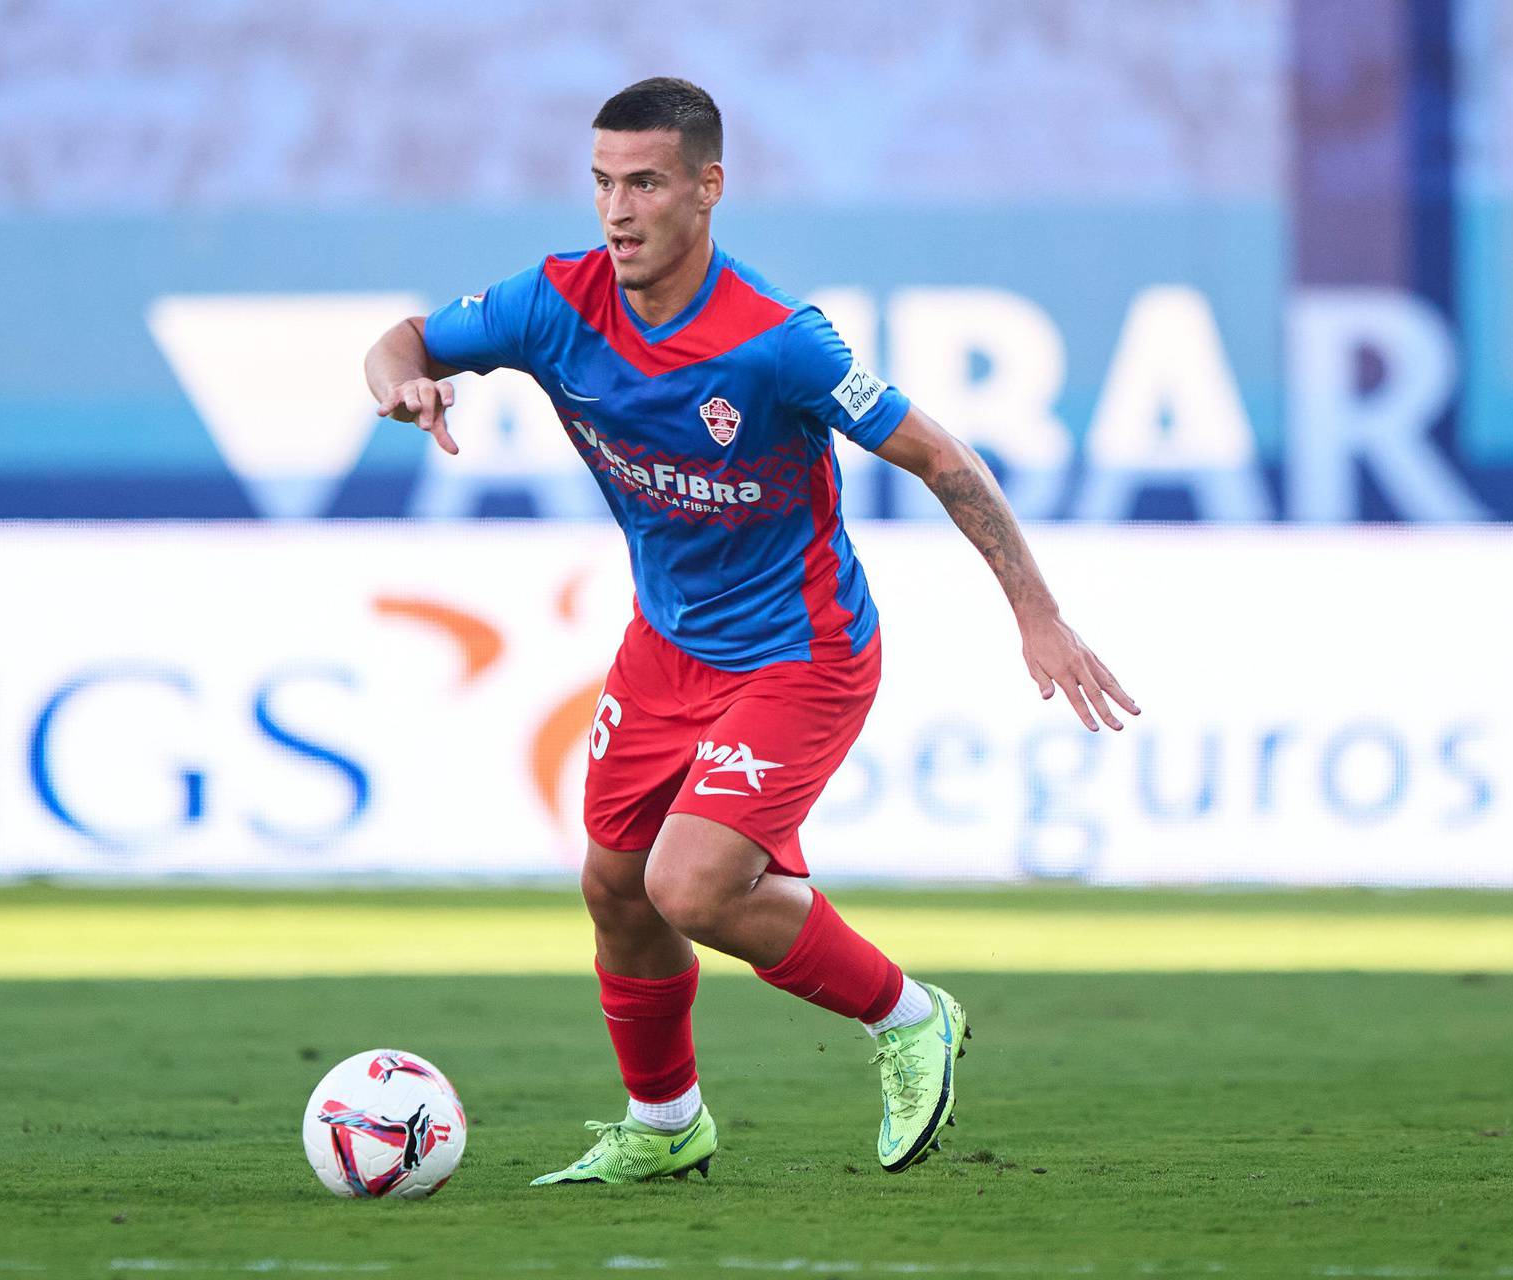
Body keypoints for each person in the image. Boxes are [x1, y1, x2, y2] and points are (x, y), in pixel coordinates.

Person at [361, 76, 1139, 1184]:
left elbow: (942, 456)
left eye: (645, 182)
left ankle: (912, 1019)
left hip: (801, 651)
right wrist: (403, 388)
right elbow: (398, 342)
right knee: (615, 888)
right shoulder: (553, 304)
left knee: (691, 884)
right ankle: (667, 1119)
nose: (617, 211)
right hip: (666, 645)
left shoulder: (779, 340)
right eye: (601, 183)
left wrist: (1039, 612)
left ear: (708, 188)